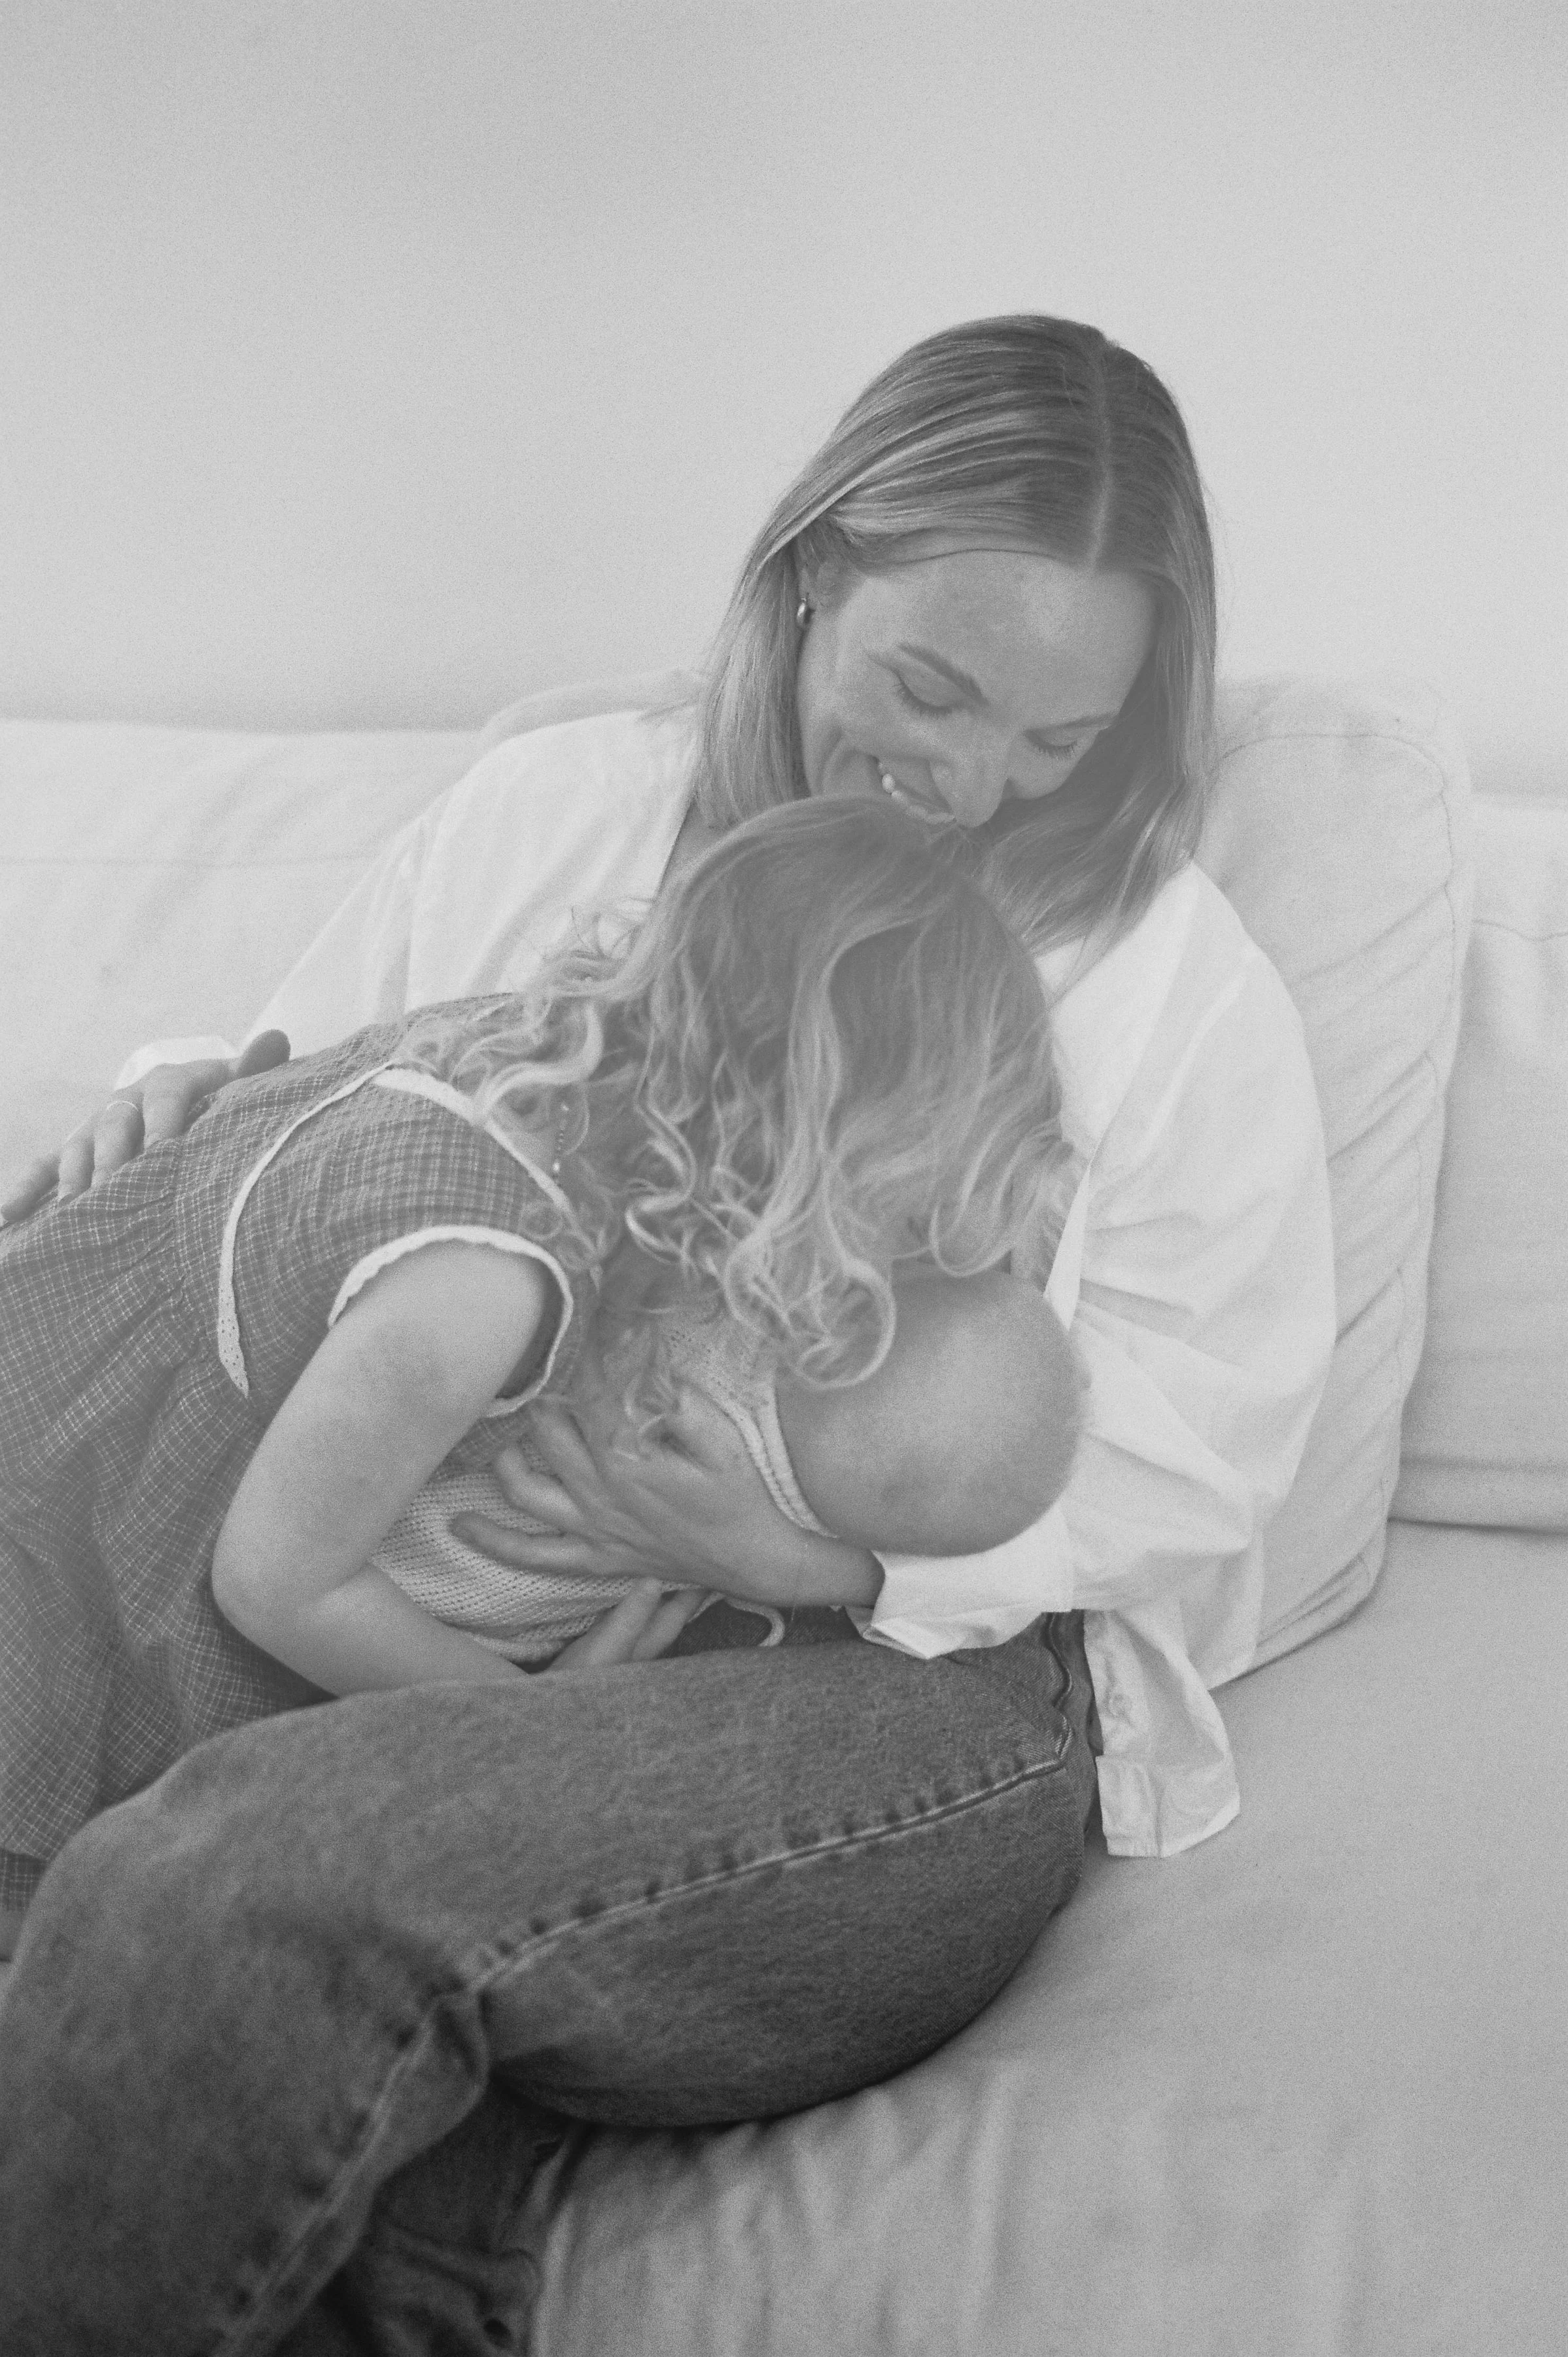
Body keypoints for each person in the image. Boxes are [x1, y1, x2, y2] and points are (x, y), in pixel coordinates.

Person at [0, 315, 1335, 2354]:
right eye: (928, 687)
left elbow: (1200, 1451)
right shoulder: (570, 810)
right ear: (806, 580)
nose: (978, 785)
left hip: (889, 1681)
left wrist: (807, 1553)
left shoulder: (1164, 979)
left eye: (1057, 742)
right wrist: (183, 1092)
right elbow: (343, 1062)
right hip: (473, 1563)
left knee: (236, 1873)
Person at [0, 798, 1080, 1935]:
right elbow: (276, 1580)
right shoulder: (485, 1276)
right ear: (801, 1147)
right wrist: (535, 1724)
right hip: (58, 1565)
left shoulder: (552, 1069)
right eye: (885, 1228)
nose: (876, 1279)